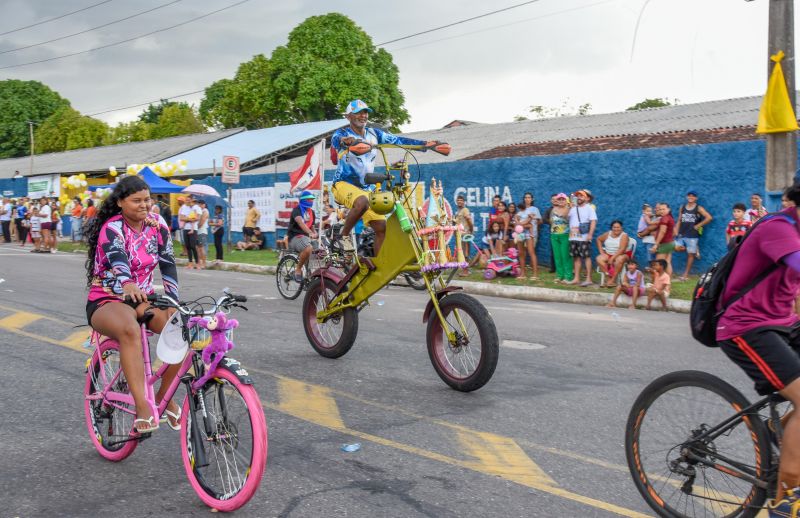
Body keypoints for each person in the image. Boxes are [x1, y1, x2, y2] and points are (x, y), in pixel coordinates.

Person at [712, 183, 800, 514]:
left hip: (782, 322)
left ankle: (782, 434)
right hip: (744, 326)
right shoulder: (779, 228)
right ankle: (785, 499)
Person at [83, 175, 181, 434]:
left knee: (181, 329)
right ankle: (142, 407)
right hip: (107, 299)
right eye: (136, 200)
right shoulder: (112, 228)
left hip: (142, 298)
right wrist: (127, 282)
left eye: (147, 199)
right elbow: (118, 258)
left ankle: (162, 396)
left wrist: (173, 299)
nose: (144, 205)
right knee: (129, 329)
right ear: (120, 203)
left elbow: (167, 262)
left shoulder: (158, 224)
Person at [330, 99, 438, 255]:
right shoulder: (342, 134)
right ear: (348, 117)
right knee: (362, 202)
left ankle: (379, 268)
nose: (363, 115)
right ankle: (343, 236)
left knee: (382, 227)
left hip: (367, 188)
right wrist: (345, 141)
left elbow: (399, 140)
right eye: (358, 113)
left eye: (365, 112)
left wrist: (426, 145)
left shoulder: (374, 134)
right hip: (343, 184)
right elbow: (335, 140)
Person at [674, 191, 713, 281]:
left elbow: (709, 218)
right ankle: (695, 248)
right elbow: (679, 220)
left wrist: (698, 225)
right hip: (682, 233)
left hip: (692, 235)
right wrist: (676, 230)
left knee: (690, 255)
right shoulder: (682, 207)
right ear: (687, 197)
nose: (691, 197)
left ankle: (685, 275)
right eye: (689, 195)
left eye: (693, 196)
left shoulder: (698, 208)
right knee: (676, 248)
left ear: (696, 198)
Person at [566, 189, 597, 287]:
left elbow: (593, 221)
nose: (579, 197)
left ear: (587, 198)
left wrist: (590, 234)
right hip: (573, 236)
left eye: (581, 196)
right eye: (578, 196)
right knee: (576, 258)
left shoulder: (589, 208)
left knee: (586, 257)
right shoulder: (573, 208)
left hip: (584, 237)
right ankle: (577, 279)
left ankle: (589, 279)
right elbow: (566, 218)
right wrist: (569, 207)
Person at [287, 191, 318, 282]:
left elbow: (312, 227)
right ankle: (298, 269)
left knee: (320, 251)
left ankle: (311, 273)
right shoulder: (297, 210)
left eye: (312, 199)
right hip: (295, 237)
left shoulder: (312, 212)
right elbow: (301, 223)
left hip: (307, 237)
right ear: (303, 200)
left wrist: (315, 233)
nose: (311, 201)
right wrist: (310, 233)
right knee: (308, 248)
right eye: (309, 199)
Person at [596, 220, 630, 288]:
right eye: (614, 227)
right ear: (612, 228)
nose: (616, 229)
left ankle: (613, 279)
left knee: (619, 259)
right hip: (608, 253)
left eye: (618, 227)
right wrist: (601, 252)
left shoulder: (624, 235)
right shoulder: (608, 234)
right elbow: (598, 239)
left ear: (621, 228)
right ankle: (608, 278)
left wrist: (612, 258)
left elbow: (622, 249)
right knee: (599, 258)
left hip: (622, 254)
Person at [515, 192, 541, 280]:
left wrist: (524, 224)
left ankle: (535, 274)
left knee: (531, 252)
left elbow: (538, 221)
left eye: (529, 197)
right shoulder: (520, 211)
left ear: (532, 199)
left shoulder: (535, 209)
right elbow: (516, 222)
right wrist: (520, 224)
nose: (527, 199)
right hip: (520, 234)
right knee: (521, 253)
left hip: (530, 234)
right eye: (525, 197)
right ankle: (523, 274)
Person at [549, 193, 573, 283]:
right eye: (559, 199)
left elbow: (568, 219)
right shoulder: (553, 209)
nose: (561, 201)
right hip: (554, 235)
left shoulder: (569, 209)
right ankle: (560, 275)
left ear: (566, 200)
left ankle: (568, 276)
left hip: (565, 235)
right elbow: (551, 221)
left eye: (563, 199)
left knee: (565, 256)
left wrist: (568, 207)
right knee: (557, 256)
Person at [650, 202, 676, 277]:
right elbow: (673, 232)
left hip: (664, 244)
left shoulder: (664, 218)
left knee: (657, 265)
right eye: (660, 209)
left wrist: (656, 244)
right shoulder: (670, 217)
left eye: (664, 209)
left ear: (669, 209)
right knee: (667, 263)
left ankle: (657, 283)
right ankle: (667, 284)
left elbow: (662, 231)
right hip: (670, 243)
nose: (662, 211)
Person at [178, 195, 201, 269]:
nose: (187, 201)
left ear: (191, 200)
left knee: (193, 246)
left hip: (194, 229)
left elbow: (197, 218)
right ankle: (190, 263)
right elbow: (181, 218)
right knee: (187, 246)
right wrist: (189, 219)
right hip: (185, 228)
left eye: (188, 200)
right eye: (186, 200)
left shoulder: (196, 207)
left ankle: (197, 263)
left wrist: (187, 218)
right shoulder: (184, 207)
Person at [454, 194, 474, 276]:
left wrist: (471, 230)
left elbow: (469, 220)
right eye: (458, 200)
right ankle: (466, 270)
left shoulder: (465, 210)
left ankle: (465, 271)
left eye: (461, 200)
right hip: (460, 235)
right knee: (463, 252)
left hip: (465, 234)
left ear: (464, 202)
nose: (459, 202)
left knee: (465, 253)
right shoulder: (458, 211)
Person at [196, 199, 209, 269]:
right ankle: (199, 263)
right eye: (199, 204)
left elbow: (201, 222)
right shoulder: (199, 211)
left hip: (202, 231)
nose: (199, 205)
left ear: (204, 205)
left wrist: (195, 226)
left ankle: (204, 264)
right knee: (197, 248)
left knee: (201, 248)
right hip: (197, 231)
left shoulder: (205, 211)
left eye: (201, 204)